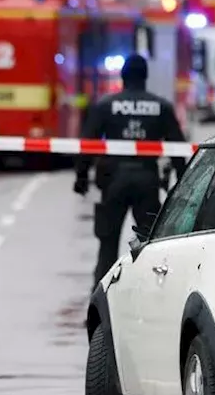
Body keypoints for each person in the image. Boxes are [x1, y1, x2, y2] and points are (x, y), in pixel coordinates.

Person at [74, 55, 188, 285]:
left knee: (108, 244)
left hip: (113, 181)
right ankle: (148, 290)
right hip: (147, 182)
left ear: (123, 77)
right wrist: (183, 181)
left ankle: (102, 296)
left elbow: (87, 143)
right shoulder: (161, 107)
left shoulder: (106, 105)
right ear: (145, 77)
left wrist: (81, 176)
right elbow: (177, 146)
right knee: (149, 245)